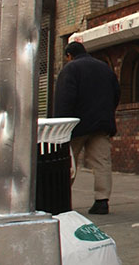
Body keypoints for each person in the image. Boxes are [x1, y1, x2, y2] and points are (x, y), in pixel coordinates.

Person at [54, 41, 121, 215]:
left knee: (68, 162)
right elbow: (116, 94)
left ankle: (61, 200)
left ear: (69, 55)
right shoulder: (105, 69)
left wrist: (62, 125)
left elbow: (64, 99)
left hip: (76, 125)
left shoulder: (70, 70)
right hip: (101, 124)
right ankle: (102, 201)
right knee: (102, 163)